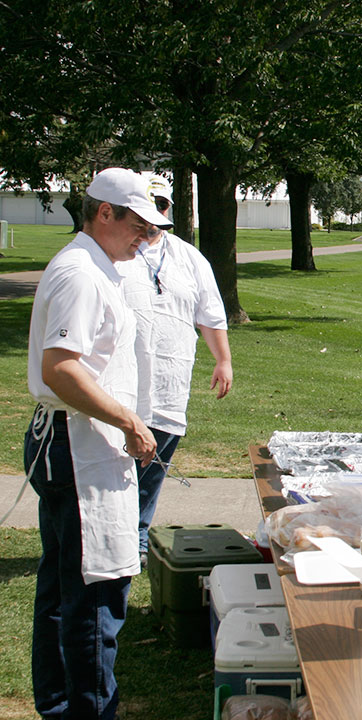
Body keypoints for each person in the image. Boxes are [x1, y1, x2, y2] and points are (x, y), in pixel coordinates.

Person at [23, 167, 170, 719]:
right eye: (139, 224)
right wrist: (130, 422)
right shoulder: (81, 273)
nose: (147, 236)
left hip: (82, 442)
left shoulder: (98, 265)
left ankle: (62, 705)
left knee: (65, 587)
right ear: (104, 212)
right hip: (81, 447)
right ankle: (86, 710)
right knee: (93, 594)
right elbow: (62, 369)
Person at [118, 176, 233, 566]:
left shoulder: (188, 257)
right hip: (121, 382)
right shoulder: (116, 253)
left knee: (154, 464)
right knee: (119, 465)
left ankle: (134, 538)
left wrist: (223, 360)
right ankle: (113, 536)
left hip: (170, 380)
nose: (156, 215)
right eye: (150, 206)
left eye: (163, 205)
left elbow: (211, 313)